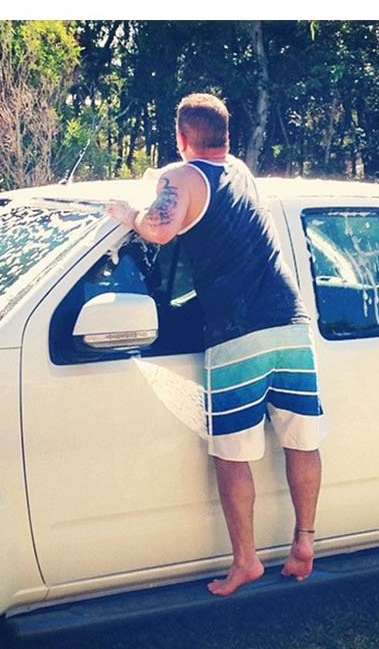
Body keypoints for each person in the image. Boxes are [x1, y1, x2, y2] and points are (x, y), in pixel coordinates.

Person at [107, 92, 326, 596]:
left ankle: (245, 562)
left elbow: (159, 229)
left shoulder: (181, 178)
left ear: (182, 137)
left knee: (232, 453)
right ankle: (305, 542)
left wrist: (128, 212)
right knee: (303, 438)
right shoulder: (241, 172)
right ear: (225, 136)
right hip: (290, 321)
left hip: (237, 331)